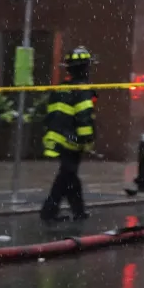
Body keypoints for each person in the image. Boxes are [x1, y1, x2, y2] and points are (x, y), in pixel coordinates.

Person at [37, 47, 98, 223]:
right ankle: (49, 211)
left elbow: (51, 113)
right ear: (85, 67)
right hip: (72, 140)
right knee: (66, 176)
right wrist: (86, 139)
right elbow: (84, 117)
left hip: (59, 137)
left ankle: (78, 211)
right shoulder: (82, 89)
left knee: (70, 175)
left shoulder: (61, 88)